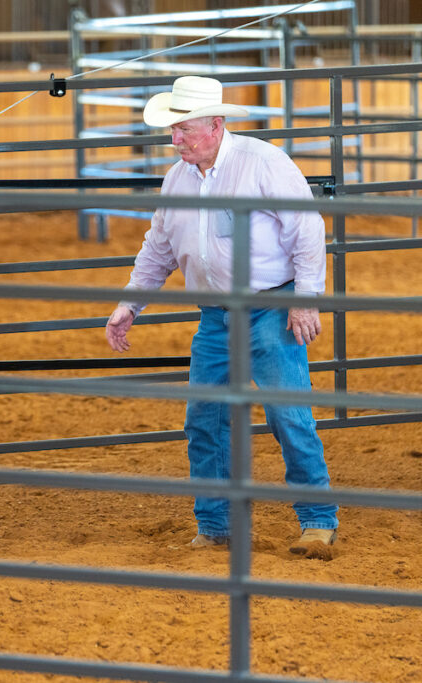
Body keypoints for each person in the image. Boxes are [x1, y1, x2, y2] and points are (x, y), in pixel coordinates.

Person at [105, 75, 337, 555]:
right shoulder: (177, 179)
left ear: (215, 125)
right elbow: (159, 248)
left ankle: (318, 520)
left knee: (286, 414)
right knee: (204, 419)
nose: (175, 140)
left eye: (184, 129)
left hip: (270, 307)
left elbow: (306, 230)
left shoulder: (264, 163)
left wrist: (305, 297)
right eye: (173, 130)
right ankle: (216, 526)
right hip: (215, 316)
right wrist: (130, 303)